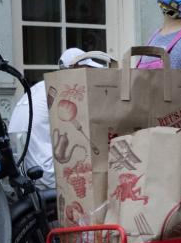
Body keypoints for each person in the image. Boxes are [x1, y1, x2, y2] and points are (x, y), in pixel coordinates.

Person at [8, 48, 110, 190]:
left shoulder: (41, 87)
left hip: (23, 171)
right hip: (47, 174)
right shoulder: (65, 91)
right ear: (77, 69)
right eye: (88, 70)